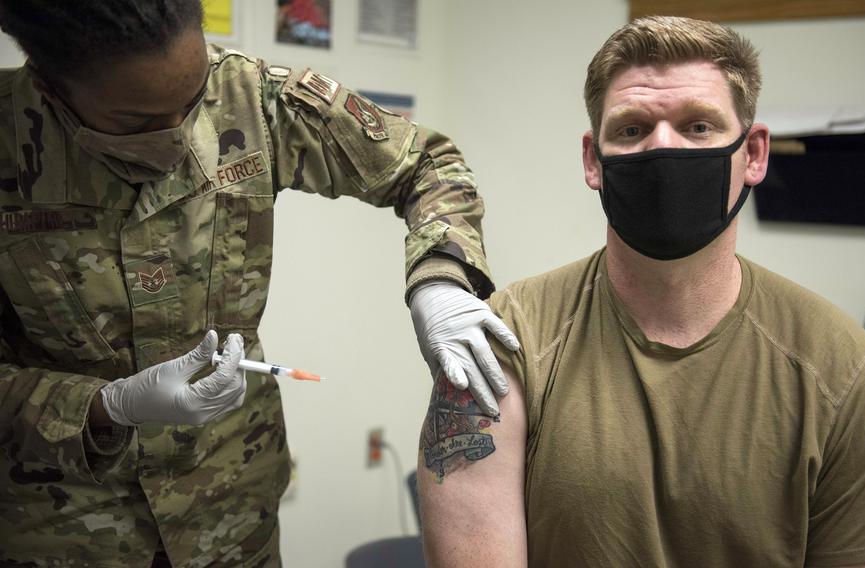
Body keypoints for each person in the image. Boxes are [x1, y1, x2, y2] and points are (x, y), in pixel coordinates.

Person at [0, 1, 519, 566]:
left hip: (235, 516)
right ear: (51, 88)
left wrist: (439, 279)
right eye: (138, 123)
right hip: (64, 533)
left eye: (192, 102)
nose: (178, 138)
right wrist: (104, 406)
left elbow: (426, 163)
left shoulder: (251, 98)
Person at [417, 15, 865, 568]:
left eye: (699, 126)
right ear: (592, 161)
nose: (663, 149)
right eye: (631, 129)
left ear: (753, 155)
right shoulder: (507, 337)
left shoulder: (842, 371)